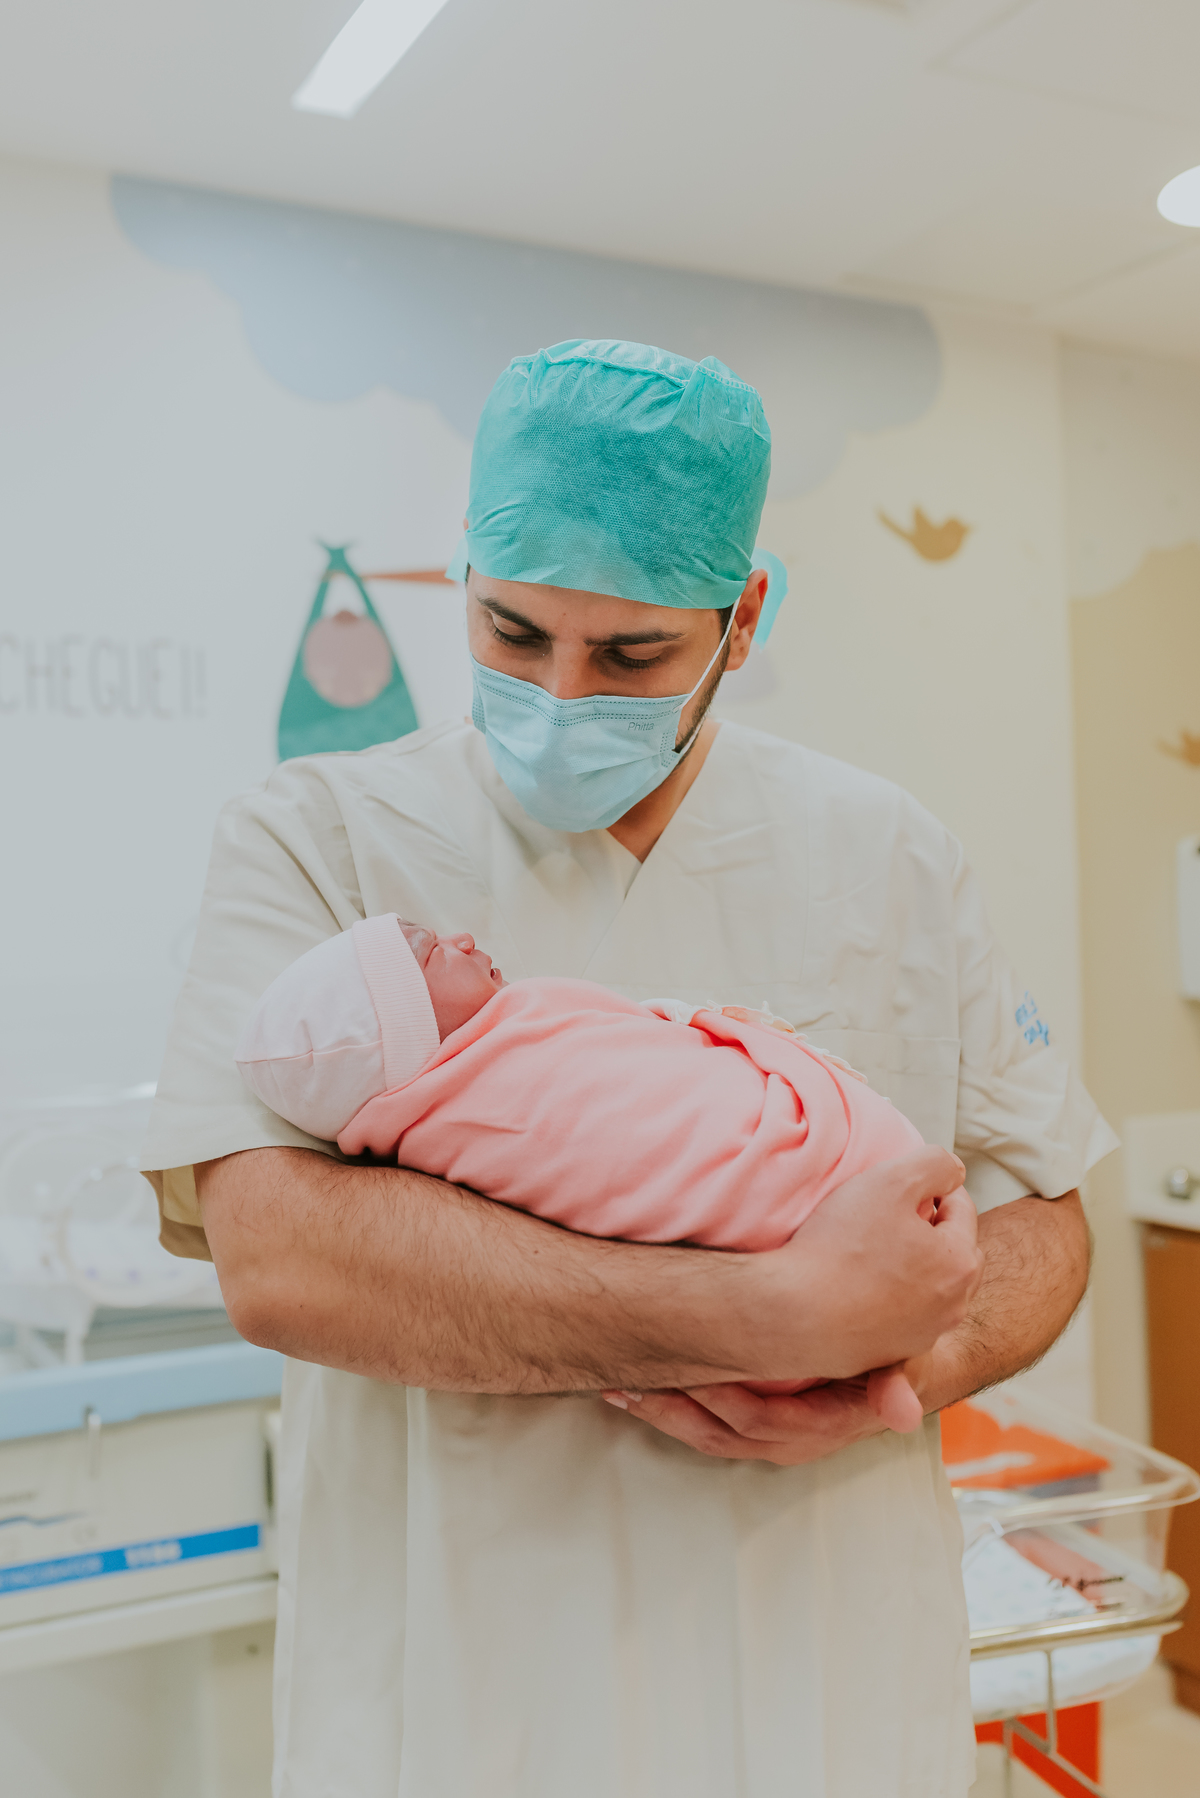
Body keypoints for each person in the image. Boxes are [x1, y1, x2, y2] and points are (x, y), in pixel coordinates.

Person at [142, 339, 1115, 1798]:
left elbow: (1044, 1217)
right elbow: (282, 1258)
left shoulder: (888, 852)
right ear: (460, 579)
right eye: (512, 632)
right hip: (466, 1697)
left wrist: (901, 1360)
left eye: (634, 654)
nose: (560, 690)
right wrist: (756, 1315)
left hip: (823, 1677)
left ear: (744, 616)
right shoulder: (317, 837)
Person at [232, 909, 960, 1431]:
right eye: (427, 954)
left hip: (794, 1346)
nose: (460, 937)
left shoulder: (478, 1078)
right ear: (404, 1028)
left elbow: (658, 1082)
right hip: (811, 1189)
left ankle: (881, 1362)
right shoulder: (493, 1088)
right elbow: (623, 1147)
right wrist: (786, 1297)